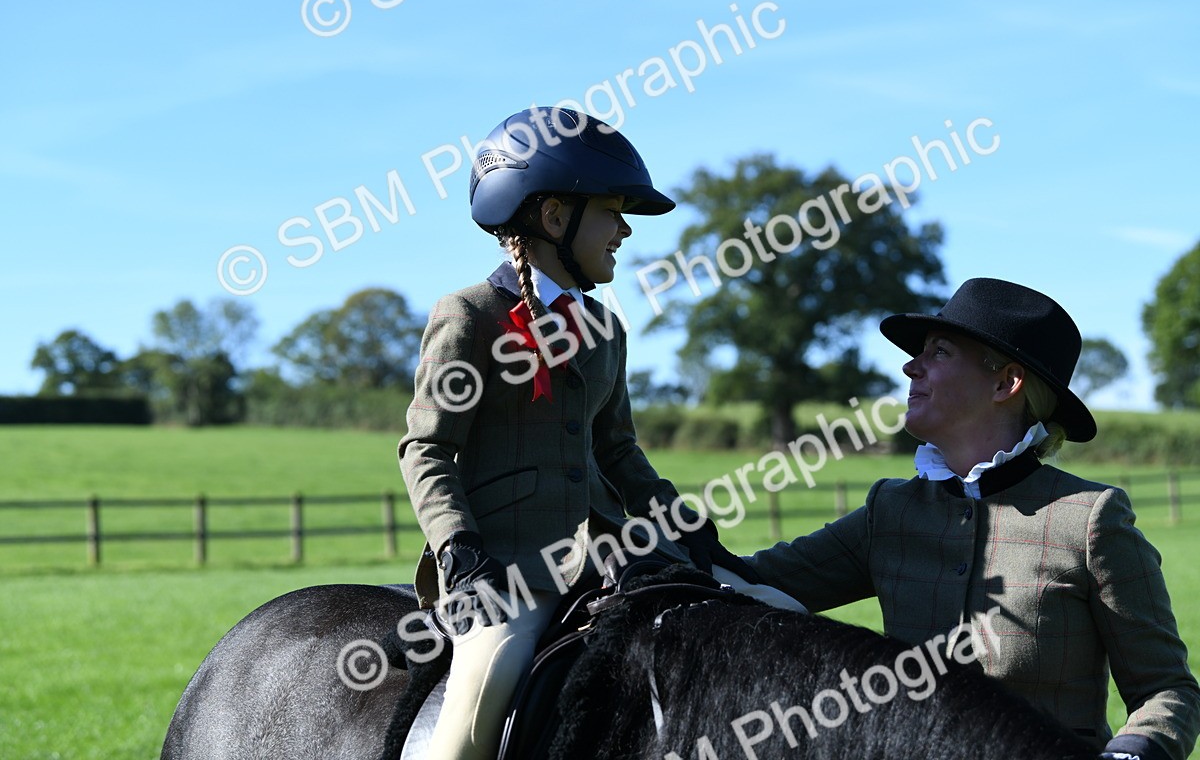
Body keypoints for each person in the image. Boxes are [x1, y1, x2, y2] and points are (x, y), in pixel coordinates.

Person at [398, 106, 804, 760]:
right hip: (507, 566)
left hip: (616, 549)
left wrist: (684, 526)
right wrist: (459, 550)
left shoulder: (606, 328)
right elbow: (428, 449)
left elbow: (617, 451)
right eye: (612, 212)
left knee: (777, 609)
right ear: (554, 217)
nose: (624, 230)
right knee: (490, 679)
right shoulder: (469, 315)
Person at [745, 278, 1200, 760]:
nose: (910, 366)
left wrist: (1130, 754)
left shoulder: (1090, 519)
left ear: (1006, 383)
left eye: (939, 352)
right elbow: (747, 582)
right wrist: (681, 527)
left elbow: (1167, 690)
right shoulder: (889, 511)